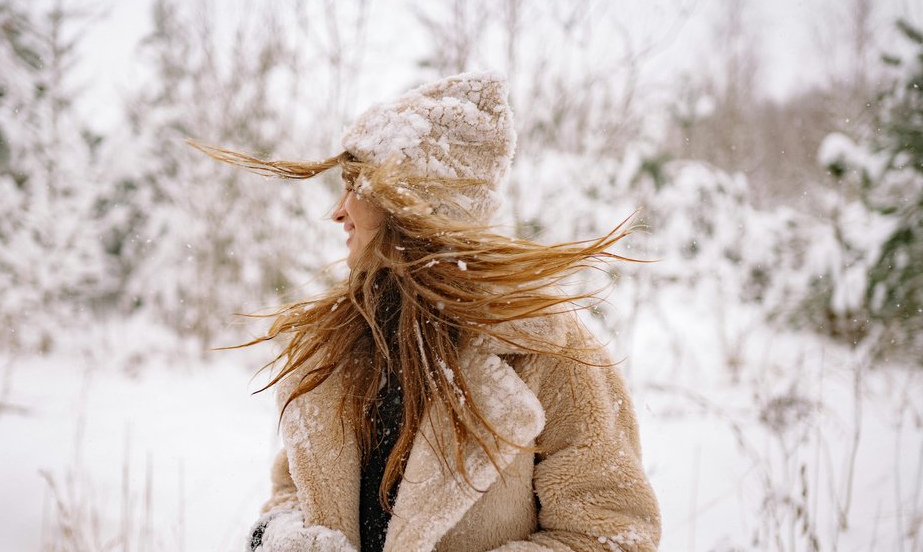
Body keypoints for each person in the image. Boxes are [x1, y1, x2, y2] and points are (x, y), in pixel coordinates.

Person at [191, 71, 661, 552]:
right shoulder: (335, 347)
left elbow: (612, 534)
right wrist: (283, 538)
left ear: (418, 203)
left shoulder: (548, 351)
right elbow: (292, 493)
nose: (338, 210)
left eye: (358, 187)